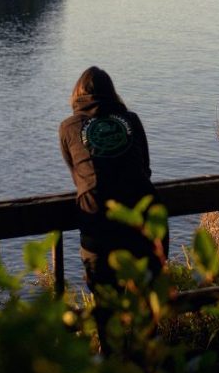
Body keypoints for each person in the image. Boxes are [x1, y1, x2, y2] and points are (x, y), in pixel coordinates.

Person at [59, 66, 166, 292]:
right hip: (143, 222)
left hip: (98, 226)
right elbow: (145, 169)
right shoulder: (132, 120)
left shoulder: (68, 127)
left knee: (107, 311)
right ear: (112, 92)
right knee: (147, 309)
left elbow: (79, 178)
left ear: (76, 95)